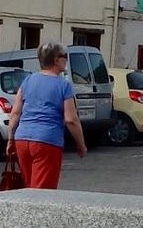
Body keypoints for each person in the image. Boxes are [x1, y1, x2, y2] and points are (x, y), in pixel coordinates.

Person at [5, 41, 87, 188]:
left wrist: (10, 139)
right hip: (47, 141)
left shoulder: (28, 80)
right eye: (65, 56)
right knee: (42, 192)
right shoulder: (63, 85)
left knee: (28, 187)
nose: (66, 60)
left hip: (22, 139)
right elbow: (71, 120)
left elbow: (15, 113)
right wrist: (81, 144)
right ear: (56, 60)